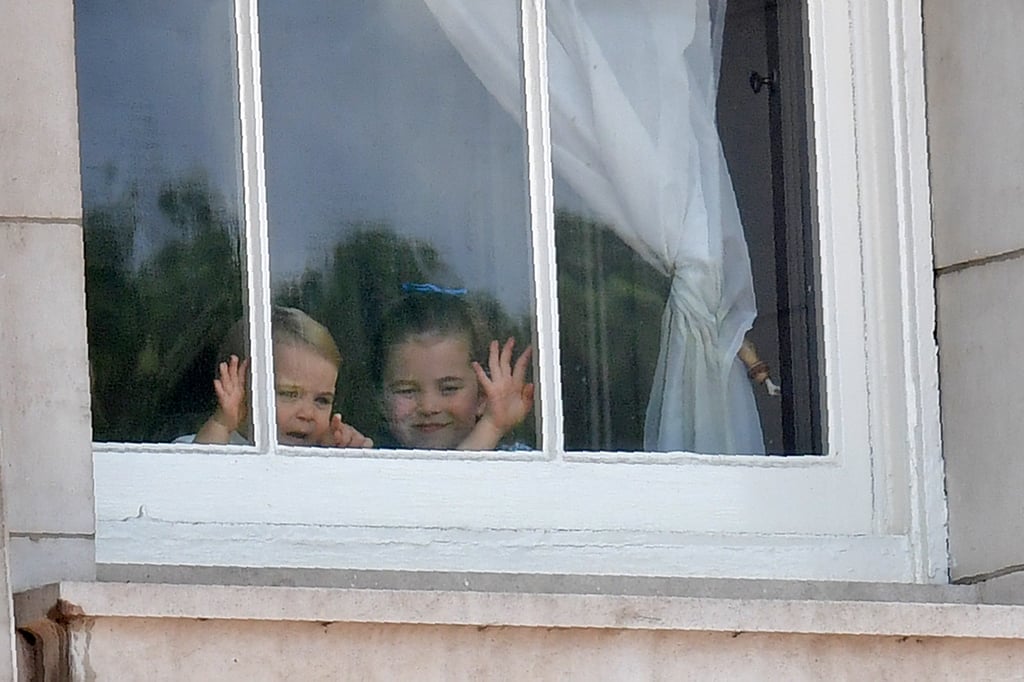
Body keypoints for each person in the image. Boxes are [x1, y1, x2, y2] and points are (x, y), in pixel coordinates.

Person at [186, 306, 373, 448]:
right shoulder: (198, 445)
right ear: (237, 389)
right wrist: (222, 423)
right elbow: (196, 479)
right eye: (289, 394)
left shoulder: (318, 452)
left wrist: (341, 454)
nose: (307, 414)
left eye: (322, 400)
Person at [374, 286, 534, 450]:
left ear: (482, 395)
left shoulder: (517, 465)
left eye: (449, 388)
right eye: (406, 391)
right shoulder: (367, 464)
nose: (429, 407)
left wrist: (492, 426)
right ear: (381, 400)